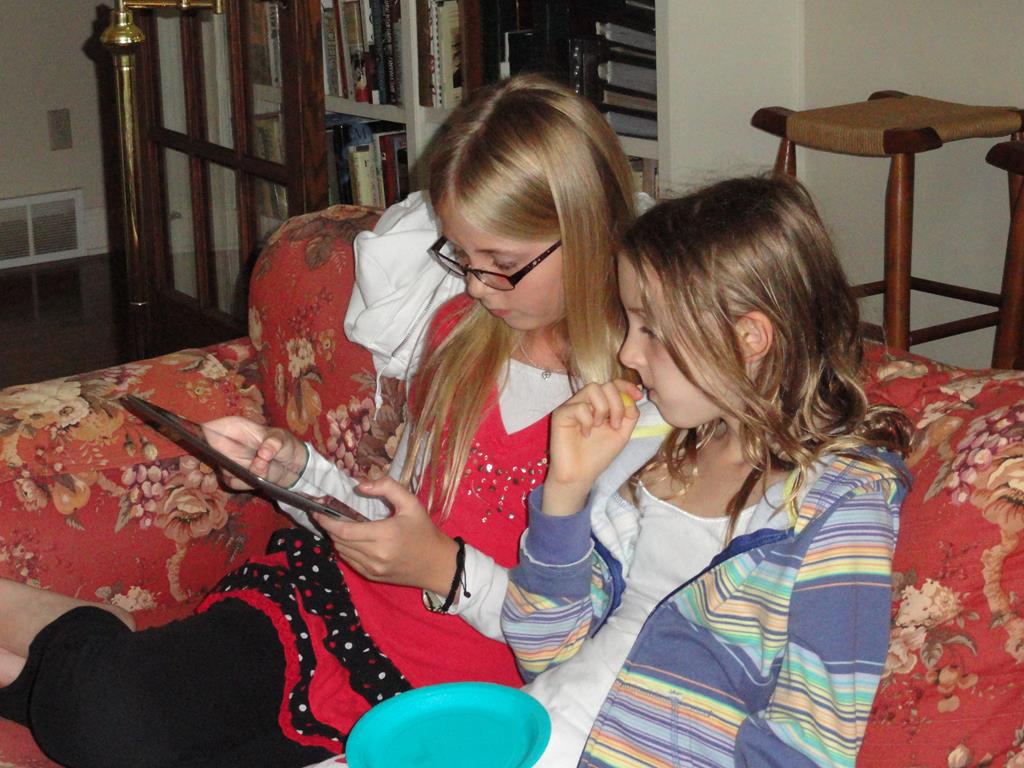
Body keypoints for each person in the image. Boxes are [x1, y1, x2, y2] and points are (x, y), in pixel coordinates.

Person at [0, 73, 637, 768]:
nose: (475, 286)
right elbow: (385, 514)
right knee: (108, 719)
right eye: (461, 257)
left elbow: (580, 639)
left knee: (110, 730)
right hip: (334, 613)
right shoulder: (459, 333)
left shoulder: (634, 409)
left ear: (588, 230)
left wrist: (441, 568)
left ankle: (73, 650)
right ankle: (92, 650)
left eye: (501, 265)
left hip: (452, 698)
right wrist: (293, 471)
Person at [502, 175, 913, 767]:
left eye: (651, 330)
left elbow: (809, 746)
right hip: (527, 736)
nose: (627, 354)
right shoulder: (650, 451)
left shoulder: (837, 510)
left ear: (748, 339)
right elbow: (542, 653)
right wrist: (566, 493)